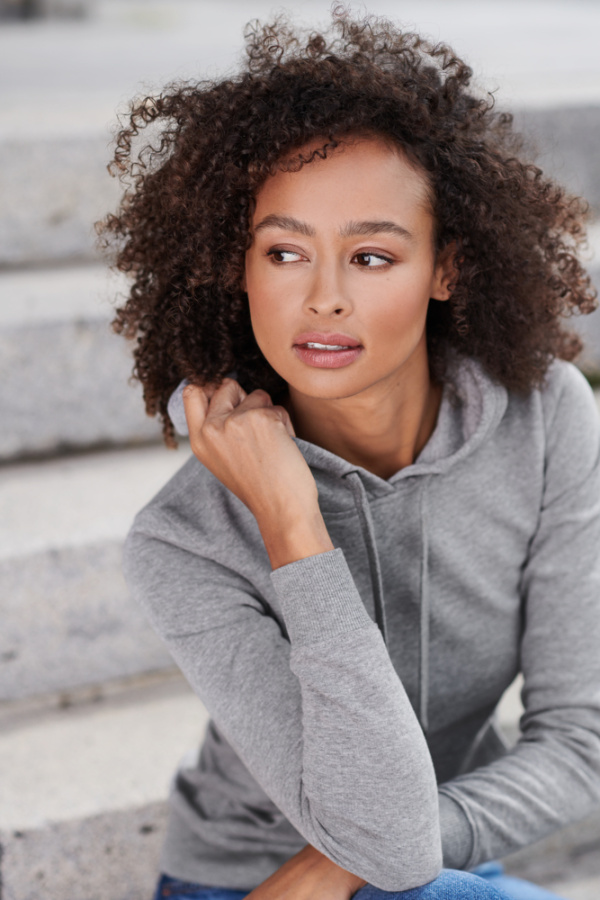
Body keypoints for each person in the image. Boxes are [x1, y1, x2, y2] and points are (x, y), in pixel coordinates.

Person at [98, 6, 600, 900]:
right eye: (284, 251)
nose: (322, 298)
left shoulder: (545, 418)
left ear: (446, 268)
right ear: (239, 266)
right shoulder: (184, 539)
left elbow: (580, 745)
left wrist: (371, 850)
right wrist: (291, 522)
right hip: (247, 878)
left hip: (419, 861)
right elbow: (394, 850)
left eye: (370, 257)